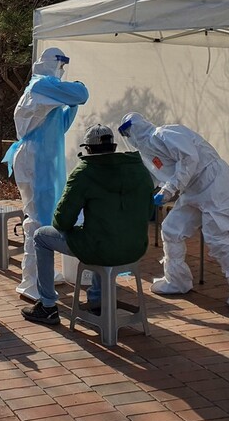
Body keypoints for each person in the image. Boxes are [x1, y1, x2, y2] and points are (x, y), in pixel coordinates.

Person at [22, 124, 156, 325]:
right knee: (102, 234)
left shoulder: (85, 172)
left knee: (42, 236)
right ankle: (98, 301)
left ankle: (48, 305)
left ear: (89, 149)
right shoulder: (139, 169)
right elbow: (149, 212)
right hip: (135, 248)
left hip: (101, 247)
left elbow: (62, 221)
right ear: (113, 146)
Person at [118, 112, 229, 307]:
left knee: (217, 238)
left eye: (128, 130)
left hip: (213, 182)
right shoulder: (147, 152)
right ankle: (176, 280)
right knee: (172, 229)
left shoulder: (166, 133)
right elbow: (158, 175)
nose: (128, 136)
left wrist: (169, 189)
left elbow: (189, 158)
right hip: (193, 189)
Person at [3, 47, 89, 300]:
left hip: (44, 159)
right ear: (51, 65)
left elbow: (62, 122)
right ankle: (32, 284)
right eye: (60, 65)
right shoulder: (41, 86)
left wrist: (70, 104)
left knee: (48, 218)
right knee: (38, 222)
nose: (62, 72)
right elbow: (81, 93)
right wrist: (78, 86)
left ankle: (45, 274)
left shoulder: (44, 93)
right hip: (35, 160)